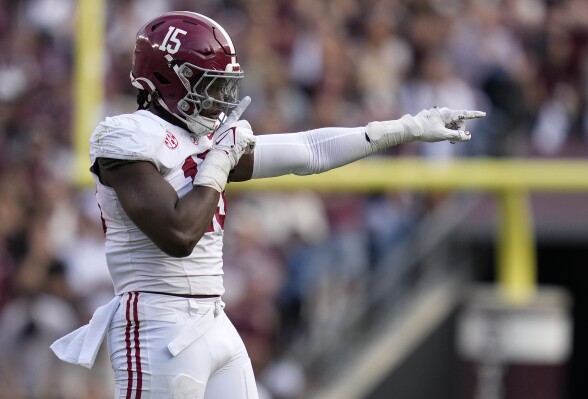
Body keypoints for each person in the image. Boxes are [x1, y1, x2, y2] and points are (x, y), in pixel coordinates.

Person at [51, 11, 485, 399]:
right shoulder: (124, 137)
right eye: (207, 84)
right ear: (167, 78)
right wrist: (219, 161)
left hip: (212, 318)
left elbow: (307, 151)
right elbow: (179, 233)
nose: (219, 98)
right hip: (155, 324)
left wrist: (404, 128)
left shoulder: (200, 138)